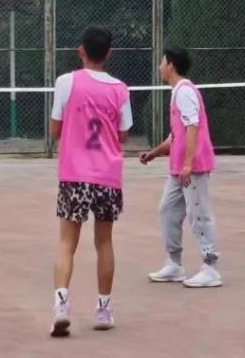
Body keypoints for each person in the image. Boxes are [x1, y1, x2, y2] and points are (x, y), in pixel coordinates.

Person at [49, 25, 132, 337]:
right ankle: (103, 309)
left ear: (80, 50)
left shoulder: (66, 82)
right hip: (107, 175)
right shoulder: (121, 89)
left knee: (67, 242)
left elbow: (55, 129)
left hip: (74, 174)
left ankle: (61, 306)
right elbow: (123, 134)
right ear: (109, 53)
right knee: (104, 242)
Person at [140, 46, 221, 288]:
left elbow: (192, 127)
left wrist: (188, 164)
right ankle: (174, 265)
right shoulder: (177, 93)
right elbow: (176, 135)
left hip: (192, 167)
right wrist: (154, 154)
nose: (159, 67)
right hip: (178, 169)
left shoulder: (184, 91)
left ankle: (210, 268)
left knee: (199, 214)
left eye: (162, 62)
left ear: (171, 65)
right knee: (168, 210)